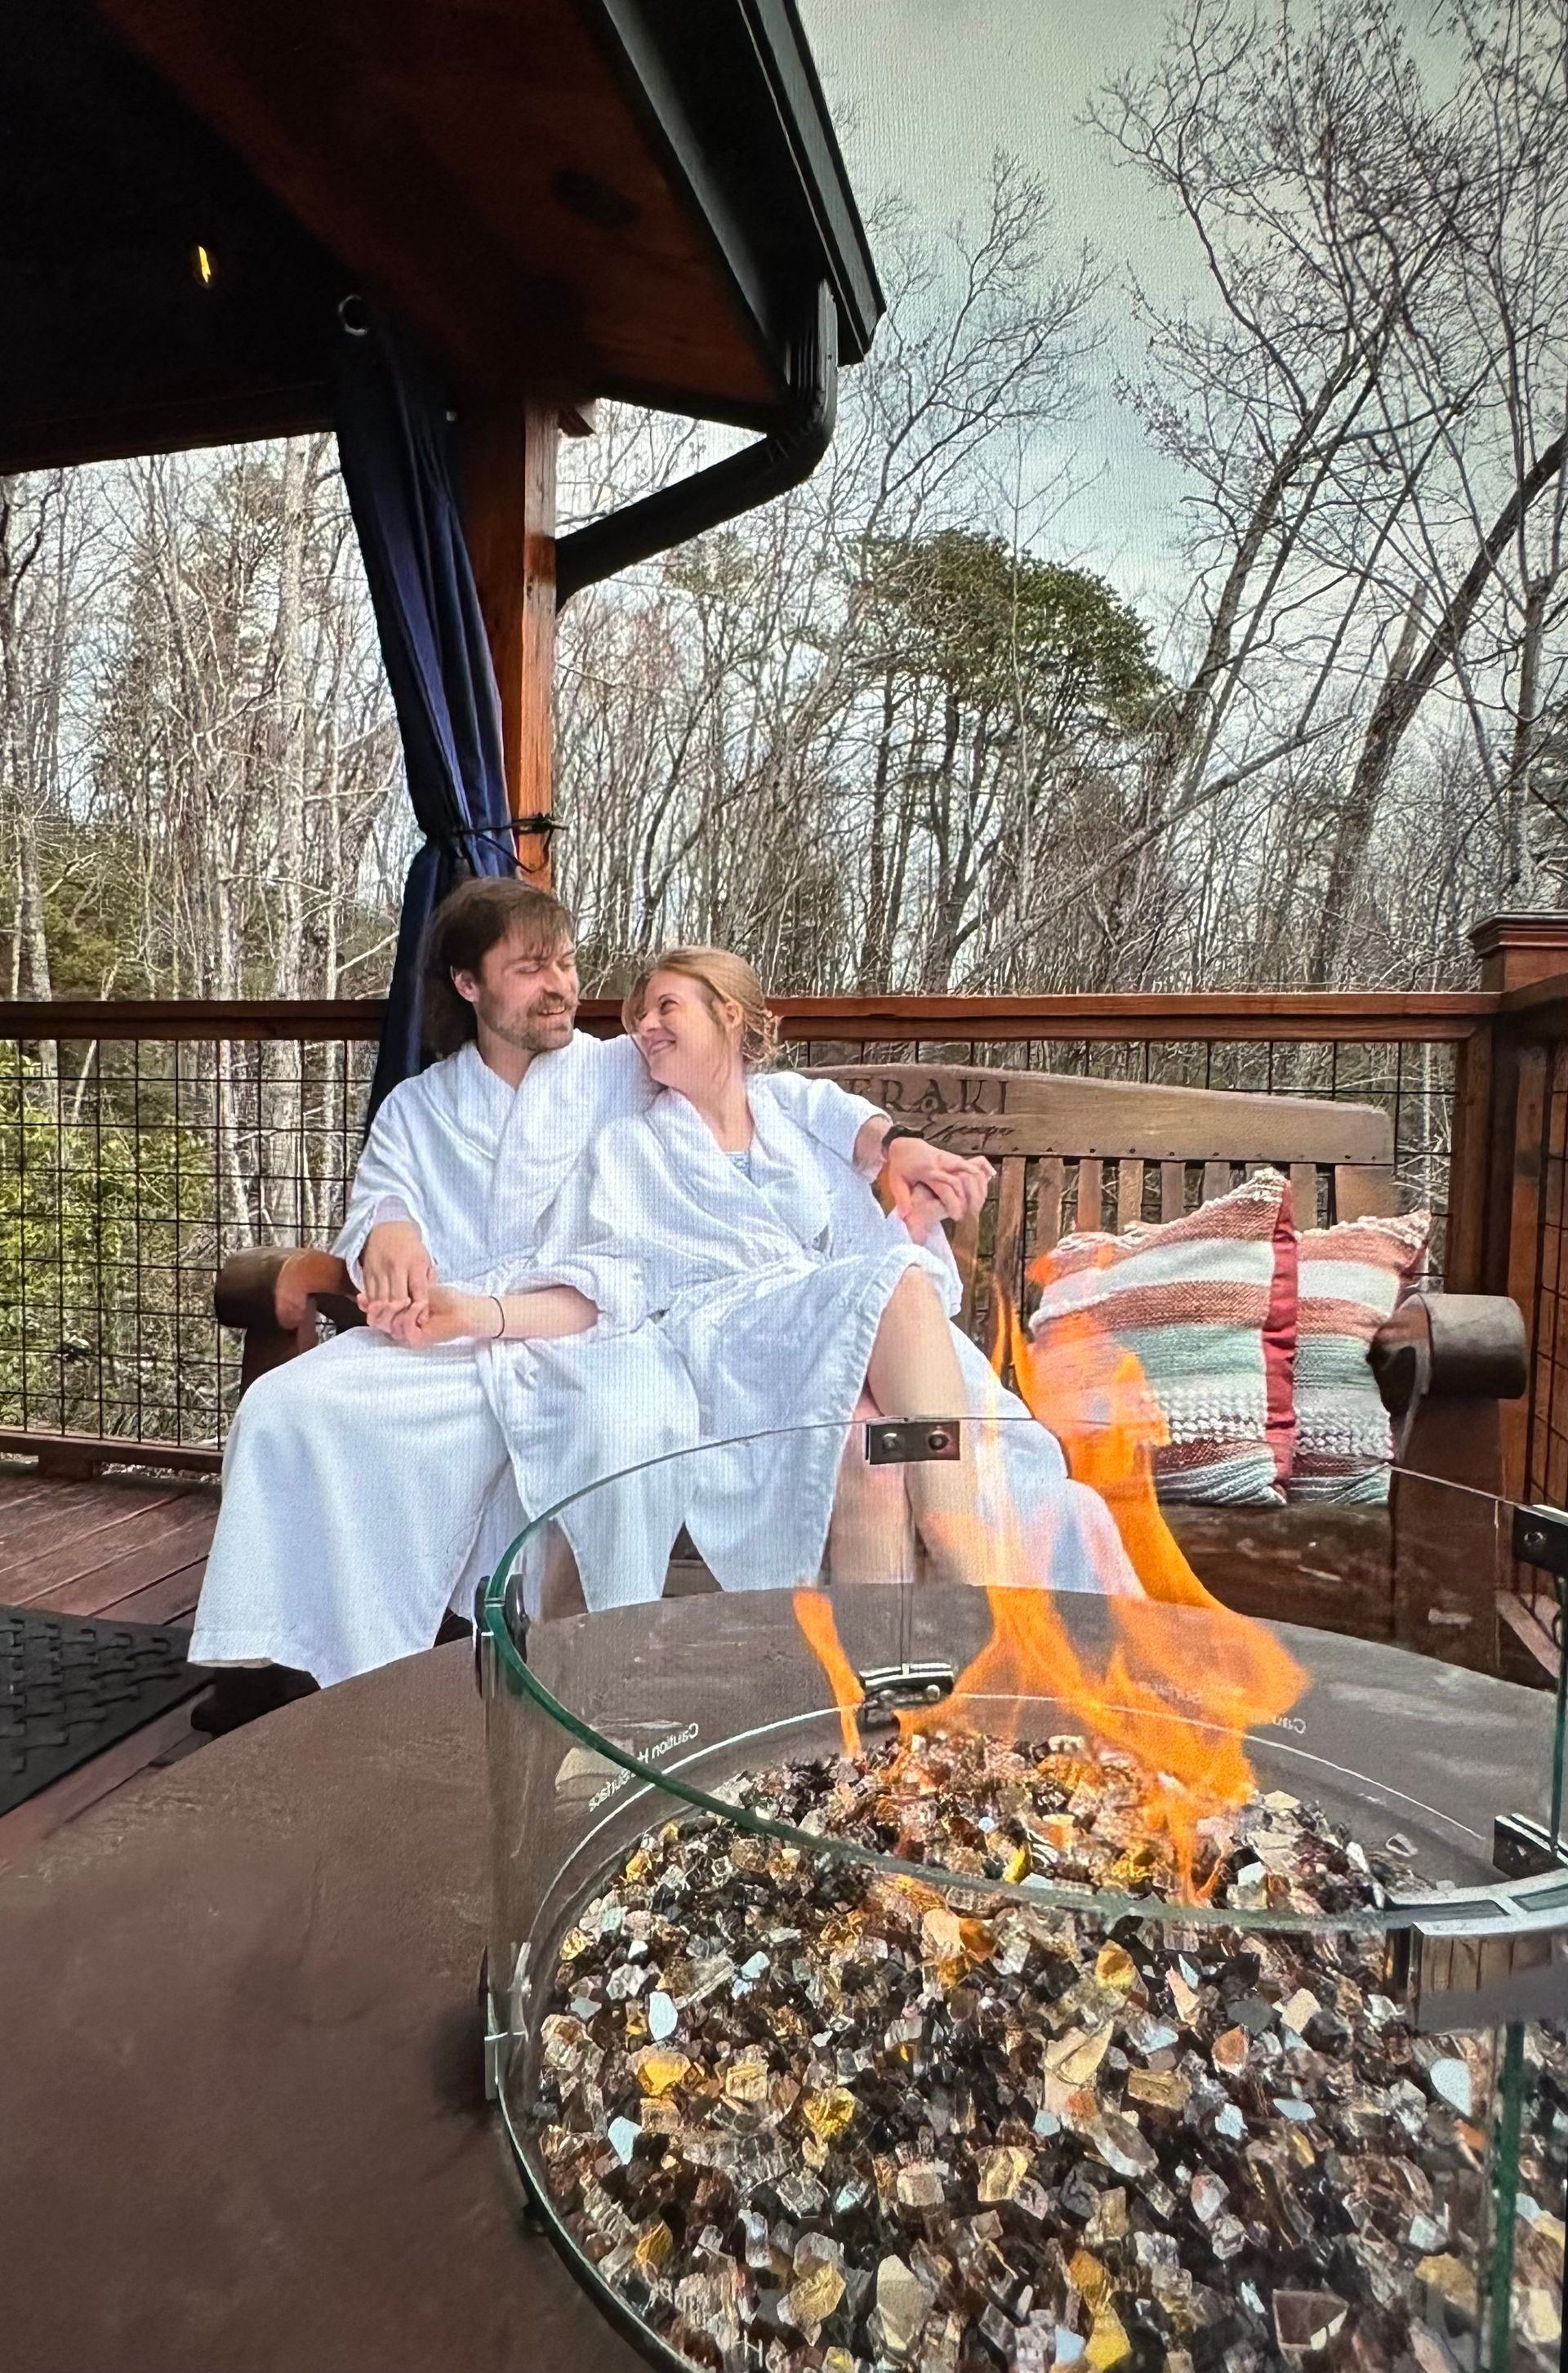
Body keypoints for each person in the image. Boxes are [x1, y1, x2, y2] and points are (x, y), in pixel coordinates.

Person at [187, 886, 990, 1704]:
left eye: (567, 963)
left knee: (627, 1422)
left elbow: (781, 1096)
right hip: (453, 1336)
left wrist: (893, 1141)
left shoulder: (622, 1065)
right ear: (468, 984)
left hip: (600, 1326)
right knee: (288, 1406)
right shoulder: (420, 1105)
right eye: (531, 968)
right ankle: (285, 1658)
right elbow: (380, 1200)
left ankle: (602, 1671)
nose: (561, 986)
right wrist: (388, 1227)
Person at [388, 945, 1141, 1604]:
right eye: (638, 1015)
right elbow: (602, 1283)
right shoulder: (632, 1149)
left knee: (871, 1449)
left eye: (666, 1007)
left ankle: (878, 1700)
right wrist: (482, 1313)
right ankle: (969, 1565)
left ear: (729, 1016)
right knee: (900, 1285)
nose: (645, 1026)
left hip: (829, 1342)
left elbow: (862, 1140)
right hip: (740, 1350)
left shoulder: (791, 1111)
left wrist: (910, 1182)